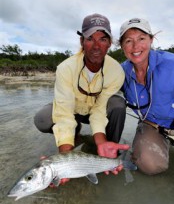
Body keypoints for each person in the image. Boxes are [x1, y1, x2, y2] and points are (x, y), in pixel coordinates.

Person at [34, 13, 129, 184]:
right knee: (42, 119)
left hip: (94, 112)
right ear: (82, 42)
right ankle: (74, 133)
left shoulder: (116, 71)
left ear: (109, 43)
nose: (96, 46)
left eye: (103, 39)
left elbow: (100, 111)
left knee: (118, 104)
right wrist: (64, 158)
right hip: (72, 111)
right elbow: (63, 113)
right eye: (90, 39)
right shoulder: (65, 68)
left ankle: (108, 149)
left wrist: (99, 140)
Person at [118, 17, 174, 195]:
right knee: (150, 166)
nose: (135, 46)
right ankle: (150, 149)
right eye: (128, 41)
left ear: (151, 40)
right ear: (122, 46)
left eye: (141, 39)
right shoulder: (121, 71)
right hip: (152, 126)